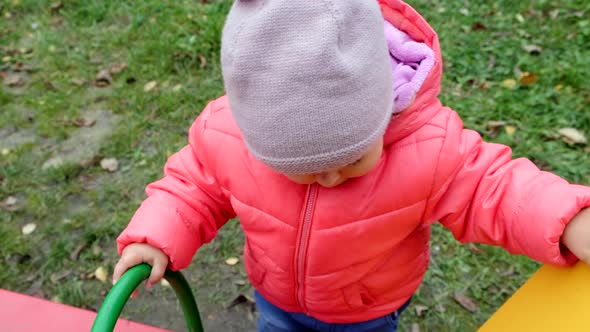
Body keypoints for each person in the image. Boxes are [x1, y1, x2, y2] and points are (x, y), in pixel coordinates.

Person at [113, 0, 590, 331]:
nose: (330, 177)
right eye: (300, 167)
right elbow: (192, 187)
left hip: (368, 313)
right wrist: (156, 237)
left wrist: (569, 221)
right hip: (276, 299)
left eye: (352, 157)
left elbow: (496, 189)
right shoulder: (228, 136)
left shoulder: (427, 146)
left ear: (381, 111)